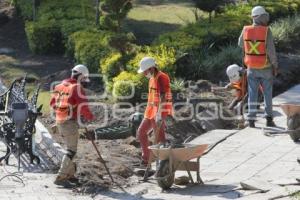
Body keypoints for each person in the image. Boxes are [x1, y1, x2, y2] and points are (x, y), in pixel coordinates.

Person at [50, 64, 94, 187]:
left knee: (69, 148)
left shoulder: (59, 86)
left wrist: (63, 110)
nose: (84, 81)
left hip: (60, 122)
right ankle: (61, 176)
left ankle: (71, 174)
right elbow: (84, 107)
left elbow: (53, 103)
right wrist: (90, 118)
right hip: (69, 123)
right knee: (71, 150)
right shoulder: (76, 88)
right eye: (84, 78)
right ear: (80, 76)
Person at [238, 6, 278, 128]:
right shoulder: (266, 31)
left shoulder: (245, 29)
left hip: (251, 68)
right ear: (262, 17)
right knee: (267, 94)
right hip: (265, 68)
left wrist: (252, 50)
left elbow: (240, 44)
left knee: (252, 93)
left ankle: (251, 120)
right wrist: (275, 66)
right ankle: (269, 119)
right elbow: (271, 51)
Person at [137, 57, 173, 165]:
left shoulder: (161, 77)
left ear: (151, 68)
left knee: (159, 139)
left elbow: (163, 96)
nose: (144, 74)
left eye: (144, 71)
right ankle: (147, 158)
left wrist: (159, 114)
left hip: (159, 111)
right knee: (141, 132)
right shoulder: (152, 78)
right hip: (150, 111)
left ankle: (163, 164)